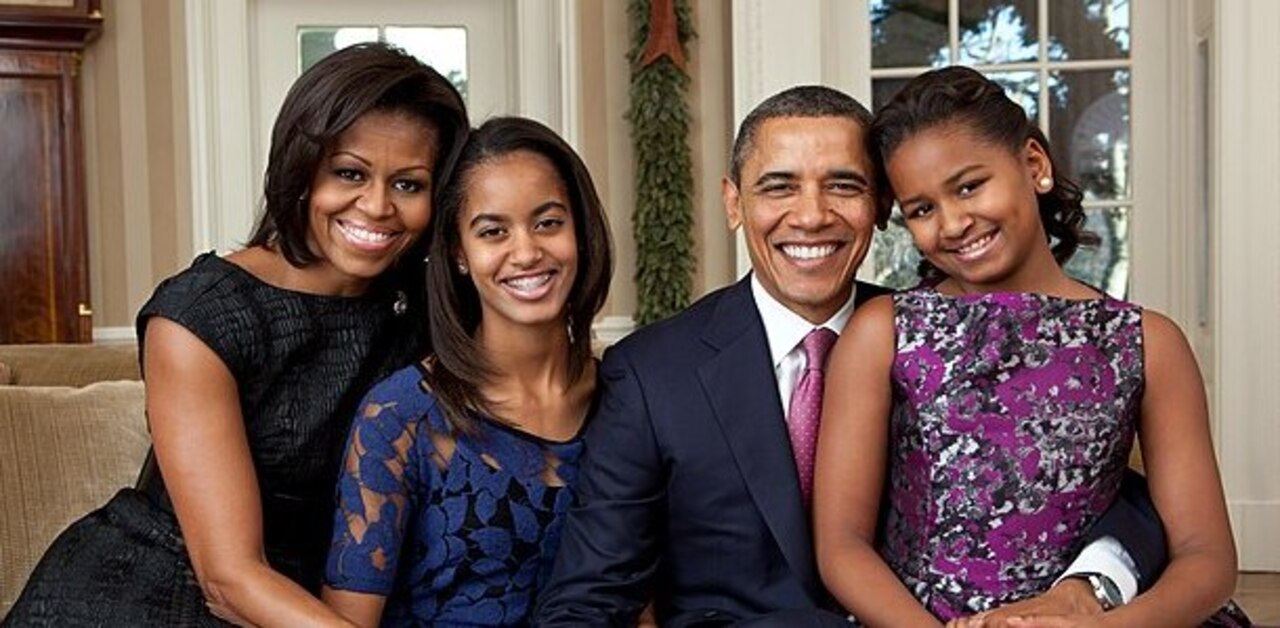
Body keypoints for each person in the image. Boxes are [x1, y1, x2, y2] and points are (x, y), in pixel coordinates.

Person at [535, 85, 1166, 627]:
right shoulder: (652, 373)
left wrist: (1093, 582)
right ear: (735, 203)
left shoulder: (933, 337)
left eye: (843, 185)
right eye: (778, 187)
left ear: (882, 206)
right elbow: (591, 592)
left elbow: (1099, 482)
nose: (811, 216)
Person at [5, 42, 468, 627]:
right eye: (349, 173)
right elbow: (228, 579)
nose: (377, 205)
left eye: (408, 184)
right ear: (301, 169)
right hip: (146, 599)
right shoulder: (201, 315)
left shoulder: (423, 314)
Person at [813, 65, 1238, 626]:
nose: (954, 222)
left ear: (1033, 165)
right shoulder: (883, 332)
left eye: (969, 186)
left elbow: (1206, 558)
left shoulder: (1148, 342)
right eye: (921, 209)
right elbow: (841, 547)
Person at [320, 116, 613, 627]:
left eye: (548, 223)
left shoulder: (628, 397)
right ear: (458, 252)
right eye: (493, 231)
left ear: (580, 234)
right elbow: (348, 623)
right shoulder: (401, 415)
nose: (525, 252)